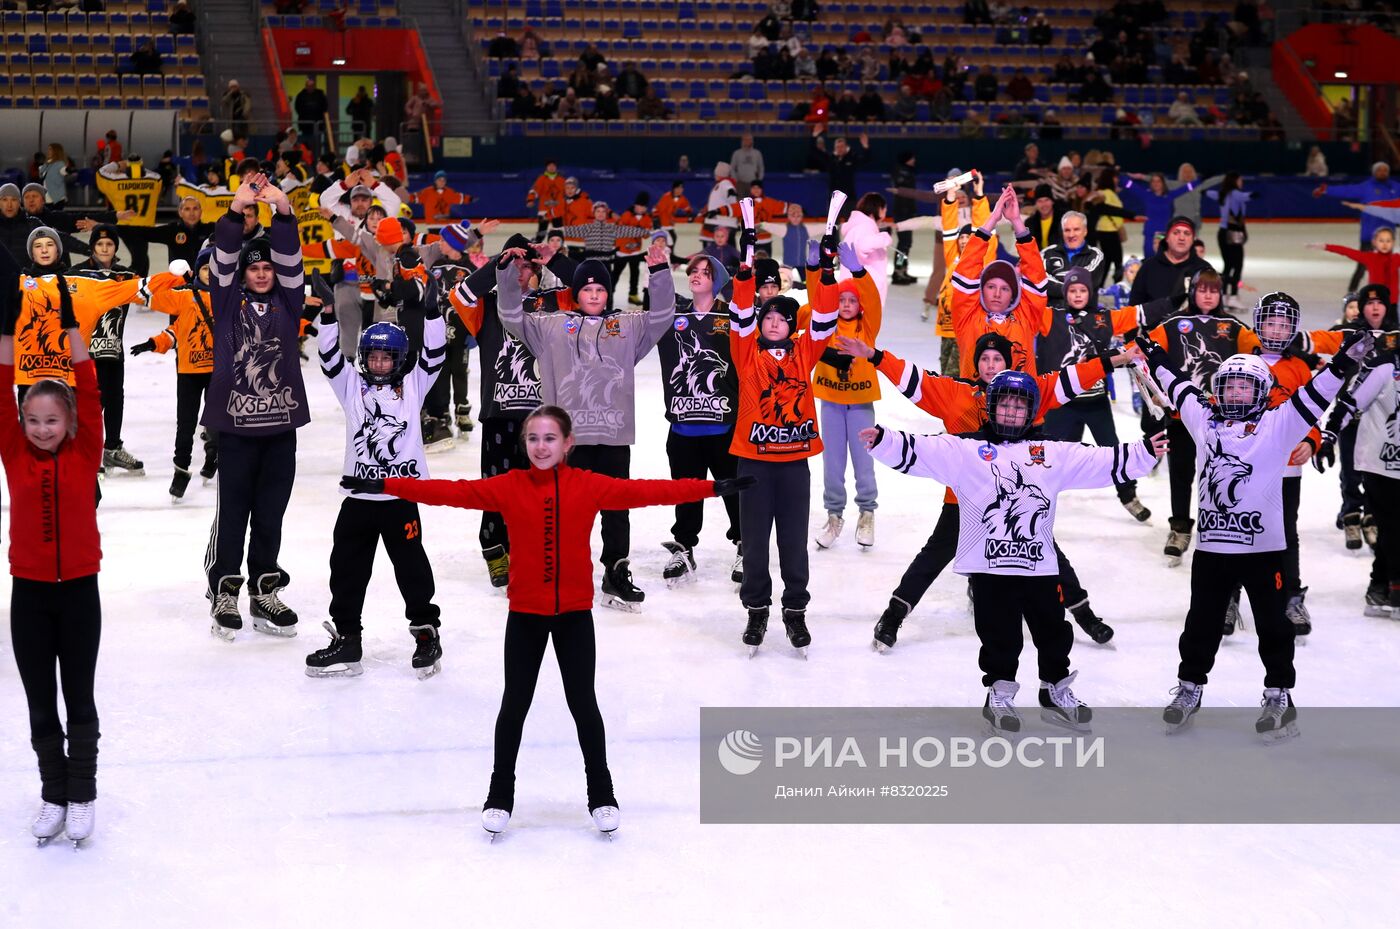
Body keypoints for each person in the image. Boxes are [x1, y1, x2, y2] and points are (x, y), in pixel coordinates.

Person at [348, 404, 749, 836]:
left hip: (575, 615)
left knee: (584, 707)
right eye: (534, 439)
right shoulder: (509, 487)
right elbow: (452, 491)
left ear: (568, 443)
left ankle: (602, 794)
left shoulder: (588, 486)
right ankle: (499, 795)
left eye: (550, 438)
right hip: (525, 616)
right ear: (525, 443)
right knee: (514, 706)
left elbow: (648, 491)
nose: (541, 447)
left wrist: (714, 488)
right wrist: (387, 484)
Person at [862, 371, 1164, 731]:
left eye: (1018, 406)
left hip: (1038, 567)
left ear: (1032, 412)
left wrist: (1145, 452)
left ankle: (1054, 690)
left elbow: (1098, 461)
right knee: (999, 635)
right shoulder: (968, 450)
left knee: (1053, 630)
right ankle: (1000, 694)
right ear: (990, 408)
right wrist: (884, 440)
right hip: (989, 569)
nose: (1010, 412)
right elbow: (924, 449)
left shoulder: (1050, 453)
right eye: (1004, 403)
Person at [1140, 328, 1366, 738]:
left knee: (1273, 625)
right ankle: (1190, 686)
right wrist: (1153, 351)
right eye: (1229, 387)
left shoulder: (1279, 424)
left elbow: (1318, 392)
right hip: (1212, 551)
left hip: (1264, 551)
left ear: (1262, 392)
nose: (1237, 395)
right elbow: (1178, 384)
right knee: (1201, 623)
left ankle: (1279, 692)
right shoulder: (1203, 421)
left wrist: (1345, 361)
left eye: (1246, 387)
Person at [496, 239, 676, 611]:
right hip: (569, 443)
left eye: (599, 289)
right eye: (587, 289)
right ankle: (558, 571)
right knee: (562, 511)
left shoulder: (626, 326)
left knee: (616, 510)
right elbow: (511, 316)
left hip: (612, 437)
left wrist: (658, 274)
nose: (594, 294)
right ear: (576, 294)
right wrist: (505, 276)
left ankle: (616, 570)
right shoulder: (551, 326)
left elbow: (662, 318)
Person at [306, 246, 446, 680]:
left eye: (387, 357)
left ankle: (426, 634)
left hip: (401, 499)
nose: (380, 363)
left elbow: (436, 355)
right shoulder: (351, 387)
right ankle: (347, 638)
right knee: (345, 570)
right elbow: (329, 359)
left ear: (399, 359)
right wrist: (328, 312)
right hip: (358, 499)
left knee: (412, 569)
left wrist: (433, 313)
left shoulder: (415, 385)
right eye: (373, 357)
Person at [1, 293, 105, 848]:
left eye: (52, 420)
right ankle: (53, 793)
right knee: (41, 700)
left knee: (79, 697)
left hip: (79, 594)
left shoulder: (85, 451)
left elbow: (89, 392)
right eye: (33, 420)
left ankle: (82, 793)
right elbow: (0, 394)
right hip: (30, 597)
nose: (42, 429)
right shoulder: (14, 453)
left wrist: (71, 332)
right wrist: (4, 328)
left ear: (69, 424)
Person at [203, 172, 314, 642]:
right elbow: (224, 258)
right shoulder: (227, 302)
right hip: (235, 427)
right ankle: (225, 590)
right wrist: (235, 211)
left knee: (271, 513)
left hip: (280, 426)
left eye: (267, 267)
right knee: (234, 513)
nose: (263, 272)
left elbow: (292, 262)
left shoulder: (290, 303)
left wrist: (283, 213)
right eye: (255, 267)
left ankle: (264, 588)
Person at [730, 227, 839, 655]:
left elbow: (826, 318)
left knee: (793, 543)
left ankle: (795, 611)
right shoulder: (745, 350)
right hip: (753, 465)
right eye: (768, 317)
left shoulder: (803, 351)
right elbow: (740, 311)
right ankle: (757, 610)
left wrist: (824, 271)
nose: (774, 322)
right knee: (755, 544)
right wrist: (745, 270)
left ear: (792, 326)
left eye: (782, 318)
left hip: (794, 463)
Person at [1038, 266, 1181, 521]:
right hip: (1061, 403)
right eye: (1072, 290)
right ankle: (1036, 498)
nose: (1078, 294)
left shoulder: (1103, 318)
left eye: (1083, 289)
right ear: (1064, 292)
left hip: (1096, 403)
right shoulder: (1050, 317)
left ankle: (1128, 496)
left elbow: (1139, 314)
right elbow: (1027, 302)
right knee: (1047, 455)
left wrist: (1173, 300)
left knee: (1113, 450)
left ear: (1090, 292)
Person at [654, 253, 744, 586]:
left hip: (724, 427)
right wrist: (660, 269)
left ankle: (743, 545)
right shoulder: (674, 315)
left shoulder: (732, 317)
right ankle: (684, 548)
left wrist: (725, 279)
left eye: (706, 273)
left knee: (733, 491)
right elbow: (658, 299)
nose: (696, 275)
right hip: (683, 427)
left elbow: (743, 301)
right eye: (693, 271)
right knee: (687, 492)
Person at [809, 242, 882, 550]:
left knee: (864, 462)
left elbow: (874, 301)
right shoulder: (826, 326)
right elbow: (817, 299)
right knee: (833, 462)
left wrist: (857, 271)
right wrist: (814, 270)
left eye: (853, 299)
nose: (847, 303)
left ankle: (867, 513)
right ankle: (834, 515)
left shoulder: (868, 328)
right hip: (831, 404)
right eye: (842, 299)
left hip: (862, 403)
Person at [133, 247, 220, 499]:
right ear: (197, 271)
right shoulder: (184, 297)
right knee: (186, 424)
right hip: (189, 371)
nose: (210, 274)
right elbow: (155, 301)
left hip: (219, 371)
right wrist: (153, 343)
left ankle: (213, 455)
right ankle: (181, 470)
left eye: (214, 269)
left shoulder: (230, 298)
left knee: (216, 421)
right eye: (205, 268)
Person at [950, 184, 1049, 379]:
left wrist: (1017, 222)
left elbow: (1037, 279)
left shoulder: (1026, 317)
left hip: (1020, 408)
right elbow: (966, 272)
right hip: (975, 407)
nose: (997, 293)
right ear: (981, 288)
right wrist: (992, 219)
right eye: (991, 286)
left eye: (1004, 288)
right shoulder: (967, 318)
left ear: (1014, 293)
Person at [70, 225, 145, 476]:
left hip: (113, 350)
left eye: (109, 244)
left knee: (115, 398)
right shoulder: (75, 274)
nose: (104, 248)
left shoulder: (125, 276)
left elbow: (151, 292)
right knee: (88, 404)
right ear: (92, 247)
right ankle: (84, 450)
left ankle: (112, 448)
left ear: (115, 248)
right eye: (100, 244)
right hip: (83, 354)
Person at [1314, 163, 1400, 292]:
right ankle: (1352, 291)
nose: (1382, 172)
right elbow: (1347, 190)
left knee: (1387, 266)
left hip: (1388, 235)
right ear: (1374, 172)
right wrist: (1327, 190)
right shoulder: (1366, 187)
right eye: (1379, 170)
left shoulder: (1395, 187)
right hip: (1369, 234)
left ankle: (1385, 292)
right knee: (1363, 265)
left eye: (1385, 170)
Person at [1311, 212, 1400, 295]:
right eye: (1381, 241)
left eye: (1388, 241)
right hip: (1374, 300)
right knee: (1360, 270)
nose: (1385, 244)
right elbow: (1347, 251)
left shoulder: (1396, 258)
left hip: (1392, 302)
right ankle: (1352, 291)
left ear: (1393, 242)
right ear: (1374, 242)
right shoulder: (1369, 257)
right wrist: (1327, 246)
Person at [1205, 172, 1254, 306]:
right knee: (1237, 265)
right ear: (1235, 181)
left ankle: (1224, 295)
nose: (1241, 182)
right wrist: (1257, 194)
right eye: (1240, 180)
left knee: (1228, 266)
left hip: (1222, 233)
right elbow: (1247, 196)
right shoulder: (1235, 193)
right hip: (1233, 233)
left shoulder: (1221, 194)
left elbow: (1207, 193)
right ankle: (1232, 296)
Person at [1123, 172, 1196, 259]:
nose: (1156, 183)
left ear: (1163, 183)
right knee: (1149, 258)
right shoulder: (1146, 195)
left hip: (1165, 233)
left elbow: (1187, 188)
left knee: (1165, 258)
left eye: (1158, 181)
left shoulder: (1169, 196)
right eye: (1153, 181)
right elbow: (1129, 185)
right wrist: (1120, 174)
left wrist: (1199, 180)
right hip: (1150, 234)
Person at [1041, 210, 1107, 301]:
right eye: (1067, 230)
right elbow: (1040, 282)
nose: (1071, 235)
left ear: (1085, 231)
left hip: (1084, 313)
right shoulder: (1047, 253)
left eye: (1076, 229)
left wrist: (1056, 279)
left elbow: (1087, 283)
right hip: (1053, 312)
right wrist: (1074, 284)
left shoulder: (1095, 255)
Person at [809, 130, 870, 197]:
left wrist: (866, 147)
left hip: (849, 197)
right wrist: (814, 136)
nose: (840, 149)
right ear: (835, 148)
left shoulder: (852, 158)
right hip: (834, 197)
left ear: (846, 147)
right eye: (838, 147)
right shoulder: (830, 158)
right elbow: (814, 152)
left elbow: (866, 159)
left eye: (842, 147)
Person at [889, 151, 919, 286]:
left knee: (907, 243)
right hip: (902, 213)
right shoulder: (900, 171)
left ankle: (903, 270)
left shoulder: (909, 171)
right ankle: (897, 271)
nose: (914, 160)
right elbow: (900, 189)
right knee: (903, 244)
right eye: (912, 158)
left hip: (908, 212)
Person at [525, 159, 566, 239]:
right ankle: (537, 248)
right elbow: (535, 190)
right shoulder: (541, 179)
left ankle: (559, 248)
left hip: (557, 209)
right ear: (546, 167)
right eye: (549, 166)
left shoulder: (562, 180)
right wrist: (530, 199)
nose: (551, 167)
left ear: (556, 167)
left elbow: (567, 193)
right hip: (544, 210)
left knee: (559, 231)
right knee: (541, 232)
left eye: (553, 166)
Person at [293, 78, 329, 146]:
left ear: (314, 86)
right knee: (306, 143)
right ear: (306, 86)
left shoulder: (320, 94)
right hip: (305, 124)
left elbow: (325, 106)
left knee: (317, 142)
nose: (310, 87)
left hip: (318, 124)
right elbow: (297, 107)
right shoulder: (301, 95)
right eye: (309, 86)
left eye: (312, 86)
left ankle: (317, 155)